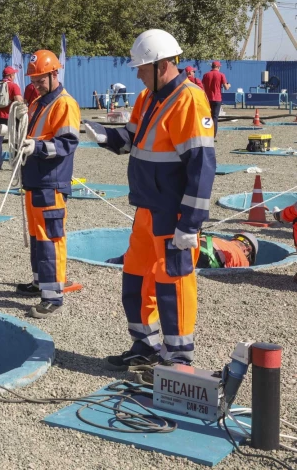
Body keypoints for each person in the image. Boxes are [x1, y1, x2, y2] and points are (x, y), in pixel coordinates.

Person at [83, 29, 216, 380]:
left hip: (172, 213)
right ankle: (145, 346)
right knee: (136, 277)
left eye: (142, 68)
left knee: (173, 280)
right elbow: (129, 139)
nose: (137, 73)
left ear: (162, 65)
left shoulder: (190, 99)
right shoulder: (148, 98)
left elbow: (201, 165)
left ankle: (178, 358)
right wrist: (104, 136)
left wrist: (191, 223)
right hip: (146, 207)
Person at [14, 50, 81, 319]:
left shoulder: (64, 104)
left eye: (40, 79)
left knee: (50, 239)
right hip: (35, 179)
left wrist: (37, 146)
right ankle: (40, 282)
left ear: (55, 74)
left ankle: (53, 295)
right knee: (37, 236)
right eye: (34, 79)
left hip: (50, 181)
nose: (36, 84)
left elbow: (67, 144)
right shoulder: (39, 102)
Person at [108, 232, 258, 269]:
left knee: (152, 257)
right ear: (248, 250)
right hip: (203, 260)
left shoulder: (221, 240)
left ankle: (115, 262)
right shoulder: (242, 260)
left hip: (188, 247)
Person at [0, 66, 24, 171]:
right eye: (14, 74)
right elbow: (19, 100)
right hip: (11, 116)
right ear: (11, 76)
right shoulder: (13, 86)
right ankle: (16, 164)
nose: (14, 76)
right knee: (15, 139)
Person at [201, 61, 230, 137]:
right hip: (217, 98)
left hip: (207, 99)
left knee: (207, 116)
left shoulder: (206, 75)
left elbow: (202, 87)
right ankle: (213, 135)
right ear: (218, 67)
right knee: (215, 117)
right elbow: (226, 87)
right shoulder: (221, 75)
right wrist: (229, 85)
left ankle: (206, 133)